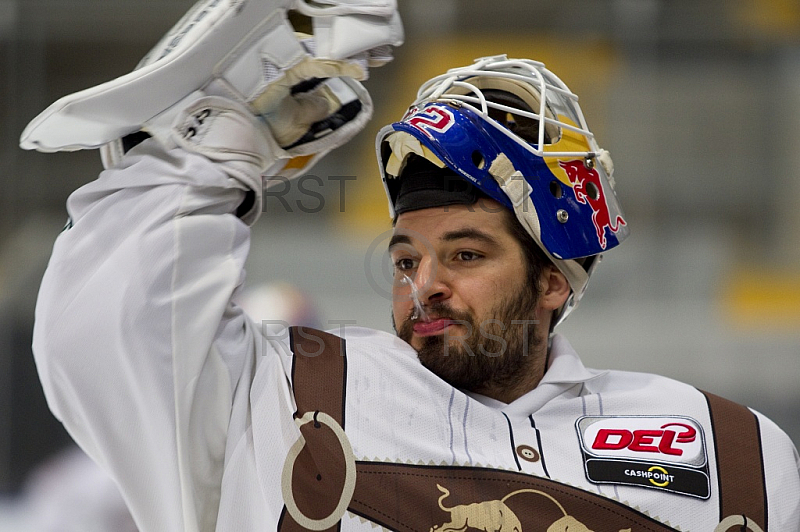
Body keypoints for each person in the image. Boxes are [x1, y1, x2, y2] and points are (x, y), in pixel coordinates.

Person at [21, 1, 799, 531]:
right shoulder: (278, 396)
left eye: (465, 253)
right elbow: (100, 335)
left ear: (555, 281)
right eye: (405, 256)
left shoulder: (728, 449)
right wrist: (215, 149)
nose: (424, 283)